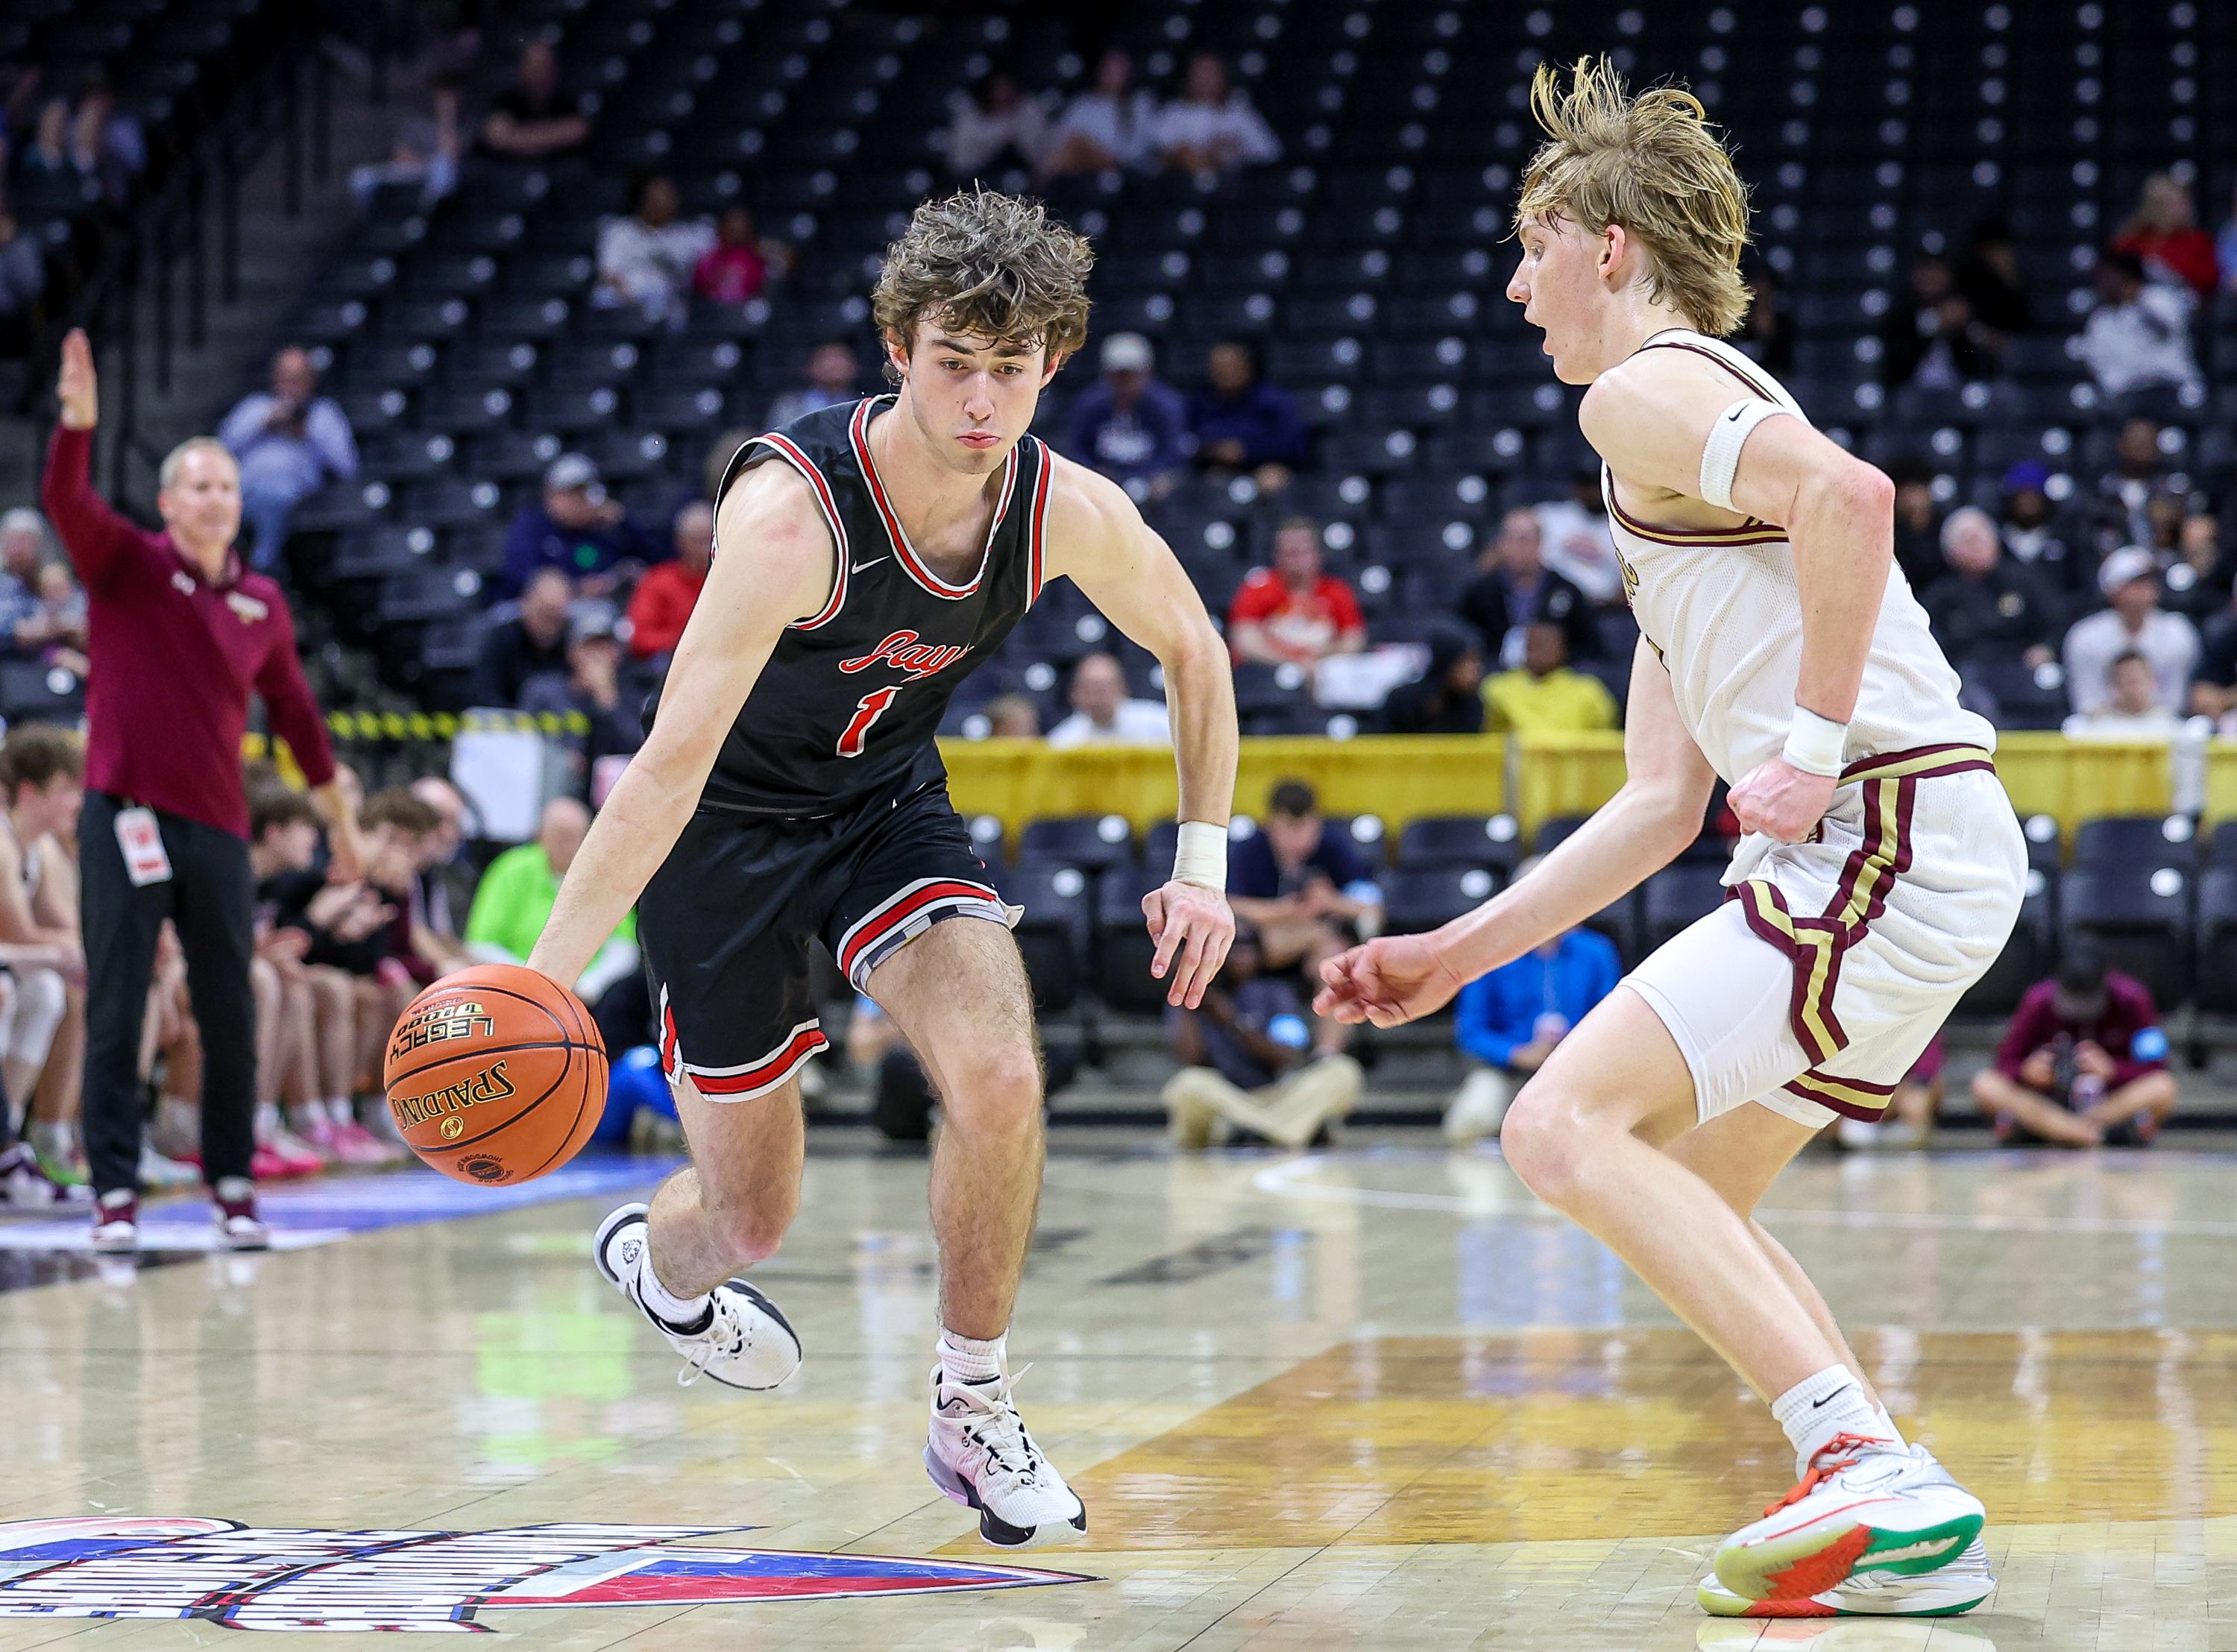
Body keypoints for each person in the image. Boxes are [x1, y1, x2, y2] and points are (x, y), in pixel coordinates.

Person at [1314, 61, 2022, 1619]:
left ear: (1609, 243)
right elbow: (1653, 803)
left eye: (1533, 246)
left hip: (1880, 828)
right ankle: (1894, 1504)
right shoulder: (1670, 468)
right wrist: (1451, 953)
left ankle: (1864, 1462)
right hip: (1920, 849)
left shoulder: (1643, 390)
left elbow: (1854, 496)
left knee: (1557, 1130)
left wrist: (1809, 748)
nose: (1517, 286)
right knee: (1692, 1175)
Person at [517, 189, 1237, 1550]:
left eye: (1010, 368)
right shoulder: (792, 517)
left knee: (1001, 1071)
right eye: (953, 362)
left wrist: (1200, 864)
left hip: (881, 802)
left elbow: (1195, 650)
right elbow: (665, 767)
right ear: (897, 347)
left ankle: (974, 1403)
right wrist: (545, 985)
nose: (980, 398)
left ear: (1054, 364)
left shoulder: (1061, 508)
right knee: (750, 1218)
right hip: (720, 828)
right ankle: (658, 1270)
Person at [42, 328, 363, 1252]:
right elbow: (65, 498)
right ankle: (112, 1193)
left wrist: (340, 818)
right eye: (200, 483)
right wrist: (79, 422)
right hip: (122, 815)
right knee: (118, 1005)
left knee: (232, 1010)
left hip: (218, 828)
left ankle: (232, 1184)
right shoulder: (127, 566)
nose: (217, 496)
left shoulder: (262, 602)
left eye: (228, 484)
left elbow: (298, 719)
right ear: (170, 500)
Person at [1444, 860, 1620, 1144]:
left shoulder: (1596, 952)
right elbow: (1471, 1030)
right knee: (1474, 1118)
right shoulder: (1491, 953)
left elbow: (1613, 1021)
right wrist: (1516, 1053)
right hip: (1507, 1072)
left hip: (1576, 1073)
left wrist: (1571, 1052)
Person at [466, 798, 646, 1059]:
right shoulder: (510, 870)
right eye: (561, 836)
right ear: (541, 835)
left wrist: (588, 986)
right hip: (515, 992)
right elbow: (480, 945)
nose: (570, 845)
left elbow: (623, 948)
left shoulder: (603, 872)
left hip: (587, 997)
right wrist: (532, 984)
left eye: (577, 836)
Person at [1160, 920, 1360, 1150]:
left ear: (1259, 952)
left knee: (1343, 1071)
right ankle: (1282, 1131)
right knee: (1187, 1086)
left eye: (1248, 945)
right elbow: (1190, 1058)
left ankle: (1256, 1132)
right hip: (1229, 1097)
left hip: (1278, 1094)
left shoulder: (1277, 994)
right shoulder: (1197, 995)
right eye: (1233, 946)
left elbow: (1287, 1056)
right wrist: (1189, 1004)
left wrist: (1232, 1022)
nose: (1240, 953)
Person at [1971, 936, 2176, 1147]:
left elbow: (2157, 1067)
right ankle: (2074, 1131)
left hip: (2107, 1106)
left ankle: (2067, 1131)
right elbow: (2003, 1063)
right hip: (2048, 1104)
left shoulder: (2134, 999)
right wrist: (2027, 1070)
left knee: (2163, 1086)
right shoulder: (2037, 1000)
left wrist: (2113, 1070)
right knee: (1985, 1084)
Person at [1227, 780, 1378, 1057]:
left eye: (1305, 828)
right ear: (1270, 824)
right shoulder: (1250, 851)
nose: (1297, 840)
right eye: (1288, 829)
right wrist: (1283, 912)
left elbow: (1371, 908)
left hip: (1314, 950)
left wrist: (1330, 902)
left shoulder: (1333, 848)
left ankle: (1327, 1054)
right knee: (1320, 939)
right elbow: (1228, 903)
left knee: (1337, 961)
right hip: (1260, 946)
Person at [0, 725, 87, 1192]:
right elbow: (19, 933)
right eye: (67, 789)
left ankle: (15, 1134)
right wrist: (72, 951)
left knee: (56, 987)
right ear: (30, 793)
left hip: (10, 961)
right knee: (28, 988)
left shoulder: (41, 847)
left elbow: (67, 925)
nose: (77, 801)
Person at [215, 347, 359, 572]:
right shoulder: (255, 406)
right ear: (274, 378)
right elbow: (220, 447)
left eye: (297, 380)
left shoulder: (323, 413)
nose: (290, 387)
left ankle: (261, 569)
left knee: (273, 498)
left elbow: (348, 466)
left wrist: (307, 432)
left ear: (311, 381)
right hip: (242, 489)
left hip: (294, 495)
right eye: (285, 378)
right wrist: (262, 424)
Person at [496, 453, 664, 601]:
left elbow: (658, 562)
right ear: (550, 496)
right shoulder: (532, 527)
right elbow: (520, 576)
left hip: (607, 611)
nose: (577, 502)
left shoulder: (607, 529)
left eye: (582, 494)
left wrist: (625, 523)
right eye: (570, 494)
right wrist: (576, 588)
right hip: (554, 615)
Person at [520, 609, 646, 798]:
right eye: (588, 646)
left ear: (617, 654)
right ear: (572, 651)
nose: (596, 655)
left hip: (610, 797)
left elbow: (637, 753)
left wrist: (606, 697)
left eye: (604, 646)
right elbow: (523, 745)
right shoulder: (544, 691)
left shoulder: (632, 697)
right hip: (550, 792)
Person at [2061, 546, 2198, 717]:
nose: (2146, 588)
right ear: (2113, 591)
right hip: (2102, 728)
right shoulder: (2086, 637)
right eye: (2137, 582)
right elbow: (2086, 703)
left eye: (2150, 580)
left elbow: (2175, 703)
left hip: (2160, 727)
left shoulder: (2177, 632)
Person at [1919, 506, 2057, 673]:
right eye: (1969, 541)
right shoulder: (1940, 596)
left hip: (2022, 666)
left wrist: (2047, 648)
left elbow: (2055, 622)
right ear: (1950, 551)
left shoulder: (2025, 580)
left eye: (1982, 538)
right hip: (1966, 672)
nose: (1977, 546)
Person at [1457, 506, 1598, 668]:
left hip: (1552, 680)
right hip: (1494, 678)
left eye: (1525, 539)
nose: (1520, 548)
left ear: (1540, 543)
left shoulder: (1566, 591)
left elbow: (1590, 648)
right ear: (1502, 544)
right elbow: (1464, 635)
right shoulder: (1481, 591)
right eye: (1512, 539)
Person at [1227, 518, 1365, 667]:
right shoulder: (1258, 588)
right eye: (1288, 553)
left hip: (1323, 669)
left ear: (1317, 554)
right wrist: (1291, 663)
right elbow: (1244, 639)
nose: (1295, 561)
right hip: (1271, 671)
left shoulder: (1337, 591)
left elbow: (1354, 640)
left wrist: (1320, 658)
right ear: (1276, 556)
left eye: (1301, 552)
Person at [1066, 332, 1189, 500]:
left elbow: (1173, 452)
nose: (1125, 384)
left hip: (1151, 481)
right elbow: (1078, 449)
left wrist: (1156, 476)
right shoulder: (1090, 405)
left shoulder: (1166, 406)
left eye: (1131, 376)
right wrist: (1093, 471)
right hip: (1103, 480)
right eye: (1118, 376)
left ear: (1146, 374)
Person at [2076, 249, 2202, 408]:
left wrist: (2138, 301)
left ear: (2126, 275)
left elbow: (2168, 328)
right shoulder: (2100, 320)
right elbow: (2099, 367)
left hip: (2171, 385)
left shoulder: (2161, 298)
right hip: (2127, 394)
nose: (2103, 283)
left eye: (2109, 276)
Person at [596, 172, 715, 328]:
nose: (662, 201)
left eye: (668, 195)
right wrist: (636, 307)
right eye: (655, 195)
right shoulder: (619, 231)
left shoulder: (692, 237)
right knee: (605, 297)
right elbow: (609, 274)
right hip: (626, 303)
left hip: (669, 307)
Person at [1186, 339, 1306, 489]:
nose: (1221, 373)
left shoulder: (1274, 400)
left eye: (1228, 367)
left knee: (1271, 481)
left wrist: (1246, 450)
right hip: (1217, 467)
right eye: (1216, 368)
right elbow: (1189, 438)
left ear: (1247, 367)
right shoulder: (1201, 400)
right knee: (1207, 482)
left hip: (1263, 466)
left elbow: (1292, 444)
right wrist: (1211, 450)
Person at [1154, 54, 1280, 177]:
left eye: (1211, 74)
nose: (1206, 80)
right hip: (1181, 187)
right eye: (1200, 74)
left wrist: (1233, 150)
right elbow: (1154, 155)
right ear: (1189, 78)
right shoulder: (1173, 112)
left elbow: (1269, 152)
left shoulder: (1238, 111)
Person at [1481, 621, 1619, 734]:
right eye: (1531, 646)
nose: (1536, 653)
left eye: (1543, 646)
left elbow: (1605, 739)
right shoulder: (1499, 688)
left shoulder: (1588, 691)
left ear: (1562, 650)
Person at [1882, 255, 1996, 389]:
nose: (1932, 278)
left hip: (1958, 390)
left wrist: (1964, 330)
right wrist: (1933, 324)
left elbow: (1972, 363)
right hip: (1913, 391)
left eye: (1938, 271)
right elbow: (1897, 365)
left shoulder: (1962, 311)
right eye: (1926, 270)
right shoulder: (1901, 314)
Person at [348, 77, 462, 208]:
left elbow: (453, 157)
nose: (445, 103)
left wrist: (447, 119)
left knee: (442, 166)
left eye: (450, 99)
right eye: (442, 98)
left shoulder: (463, 126)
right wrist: (424, 162)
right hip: (414, 169)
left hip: (441, 176)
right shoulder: (416, 123)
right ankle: (376, 218)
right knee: (361, 177)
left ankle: (425, 218)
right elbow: (401, 155)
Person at [1042, 50, 1157, 179]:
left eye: (1119, 71)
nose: (1113, 76)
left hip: (1125, 168)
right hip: (1082, 167)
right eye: (1109, 70)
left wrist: (1098, 152)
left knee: (1077, 145)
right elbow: (1060, 140)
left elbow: (1140, 149)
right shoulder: (1082, 104)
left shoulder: (1140, 103)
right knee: (1067, 153)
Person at [468, 567, 572, 707]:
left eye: (556, 616)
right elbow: (484, 694)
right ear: (526, 604)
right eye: (544, 613)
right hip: (508, 724)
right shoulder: (502, 639)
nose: (549, 625)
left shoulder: (573, 644)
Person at [627, 500, 713, 661]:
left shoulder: (728, 582)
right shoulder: (658, 581)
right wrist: (688, 642)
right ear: (681, 541)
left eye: (711, 540)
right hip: (672, 662)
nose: (708, 548)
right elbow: (640, 636)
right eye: (701, 541)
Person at [2112, 173, 2217, 300]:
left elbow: (2209, 281)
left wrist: (2173, 276)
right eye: (2173, 203)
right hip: (2132, 305)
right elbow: (2112, 272)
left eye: (2184, 202)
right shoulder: (2131, 240)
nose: (2182, 209)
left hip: (2182, 303)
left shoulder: (2197, 241)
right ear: (2155, 206)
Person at [482, 40, 591, 159]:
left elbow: (578, 131)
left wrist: (518, 135)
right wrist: (554, 134)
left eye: (545, 67)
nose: (539, 74)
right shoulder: (506, 99)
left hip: (559, 167)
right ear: (522, 70)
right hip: (512, 167)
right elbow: (497, 137)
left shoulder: (568, 98)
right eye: (534, 67)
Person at [1534, 470, 1626, 605]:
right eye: (1587, 486)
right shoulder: (1550, 516)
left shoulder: (1625, 528)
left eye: (1598, 486)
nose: (1593, 493)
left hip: (1605, 608)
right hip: (1551, 600)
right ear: (1577, 488)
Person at [1044, 652, 1170, 748]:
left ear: (1123, 689)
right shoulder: (1063, 742)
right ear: (1075, 693)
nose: (1098, 697)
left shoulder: (1159, 724)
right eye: (1090, 690)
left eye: (1104, 689)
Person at [1381, 626, 1485, 734]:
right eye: (1467, 662)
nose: (1476, 670)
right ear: (1447, 663)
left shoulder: (1473, 706)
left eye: (1477, 662)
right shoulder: (1401, 702)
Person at [944, 72, 1048, 178]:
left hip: (1021, 176)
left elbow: (1038, 158)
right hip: (976, 178)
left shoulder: (1028, 110)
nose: (1004, 93)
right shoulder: (968, 117)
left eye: (1007, 87)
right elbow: (958, 162)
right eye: (999, 88)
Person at [2063, 649, 2180, 739]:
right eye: (2129, 681)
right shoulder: (2095, 730)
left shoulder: (2170, 727)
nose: (2135, 688)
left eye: (2139, 680)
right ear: (2114, 687)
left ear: (2153, 682)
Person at [691, 205, 790, 307]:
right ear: (724, 225)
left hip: (746, 312)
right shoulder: (710, 258)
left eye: (742, 223)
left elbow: (788, 261)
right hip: (714, 312)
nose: (737, 228)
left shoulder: (758, 256)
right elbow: (701, 289)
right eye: (733, 222)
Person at [1954, 218, 2033, 338]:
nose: (1999, 257)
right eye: (1991, 251)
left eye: (2004, 249)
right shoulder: (1968, 283)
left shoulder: (2022, 285)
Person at [766, 338, 863, 429]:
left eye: (842, 357)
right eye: (827, 358)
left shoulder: (864, 407)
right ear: (811, 365)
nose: (835, 364)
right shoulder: (789, 407)